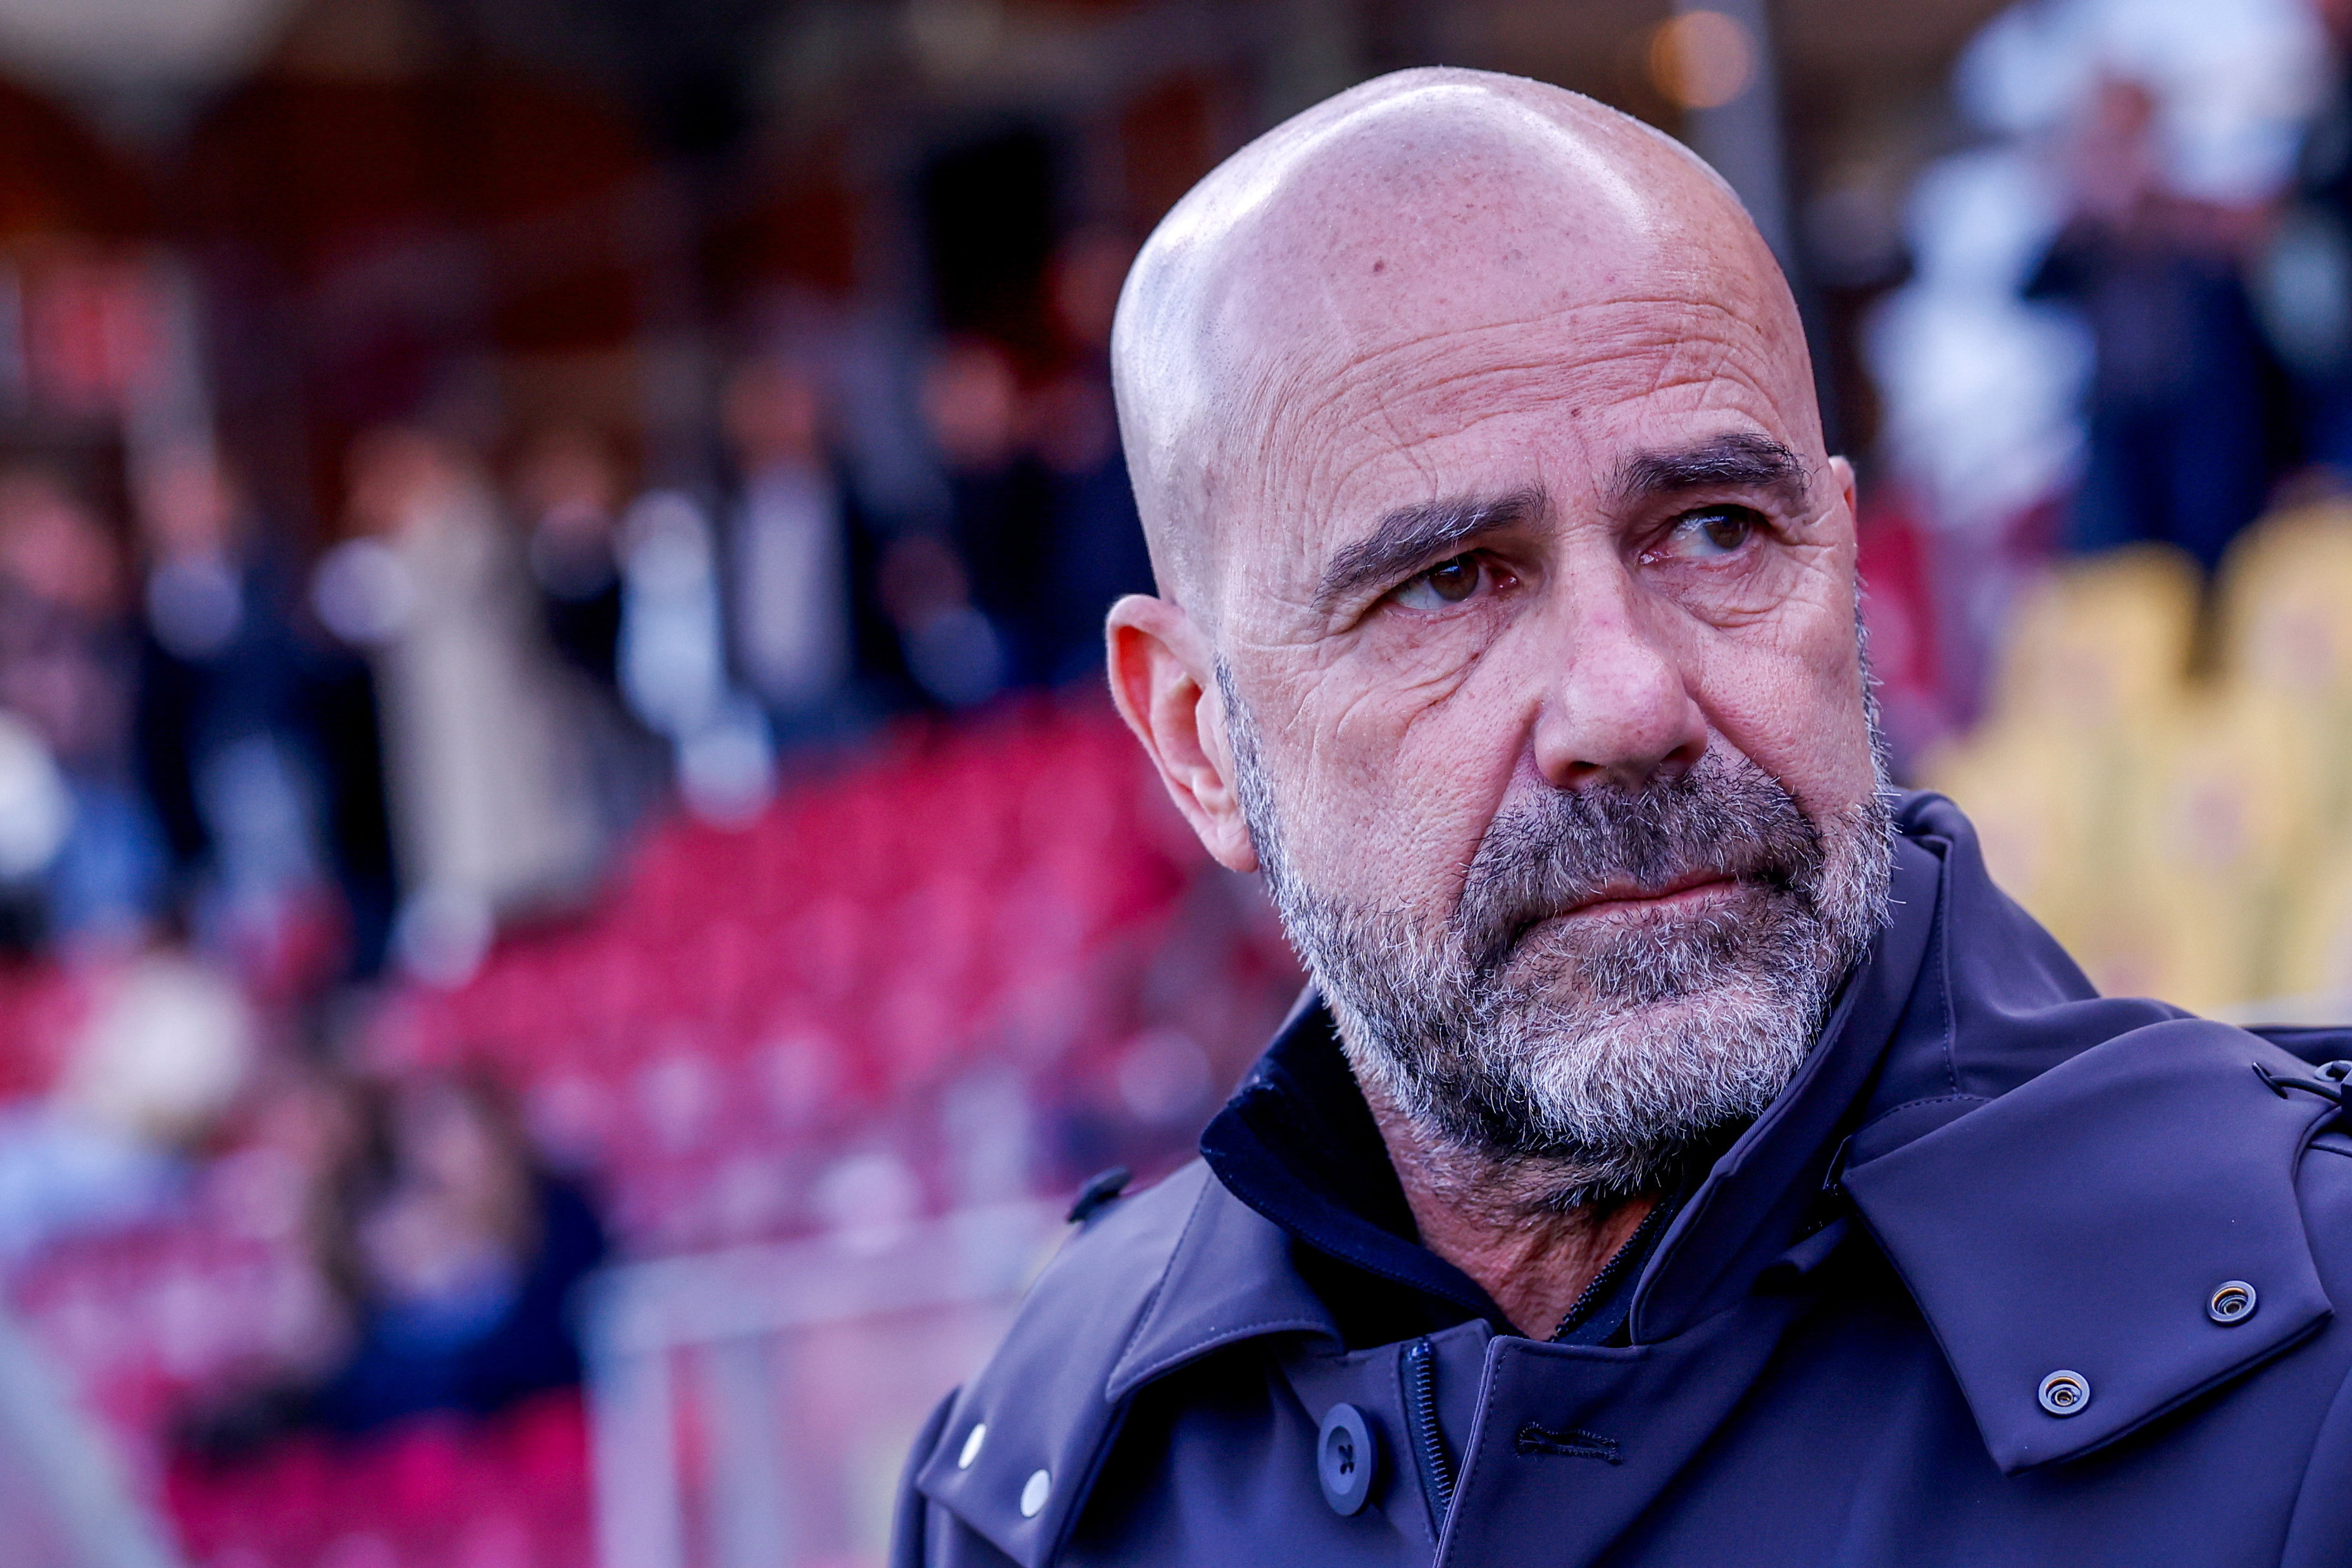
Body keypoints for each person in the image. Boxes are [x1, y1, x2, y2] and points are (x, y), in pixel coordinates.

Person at [892, 69, 2352, 1567]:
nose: (1627, 704)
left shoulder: (2316, 1360)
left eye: (1716, 530)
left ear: (1841, 573)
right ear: (1198, 741)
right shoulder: (1049, 1467)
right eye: (1448, 578)